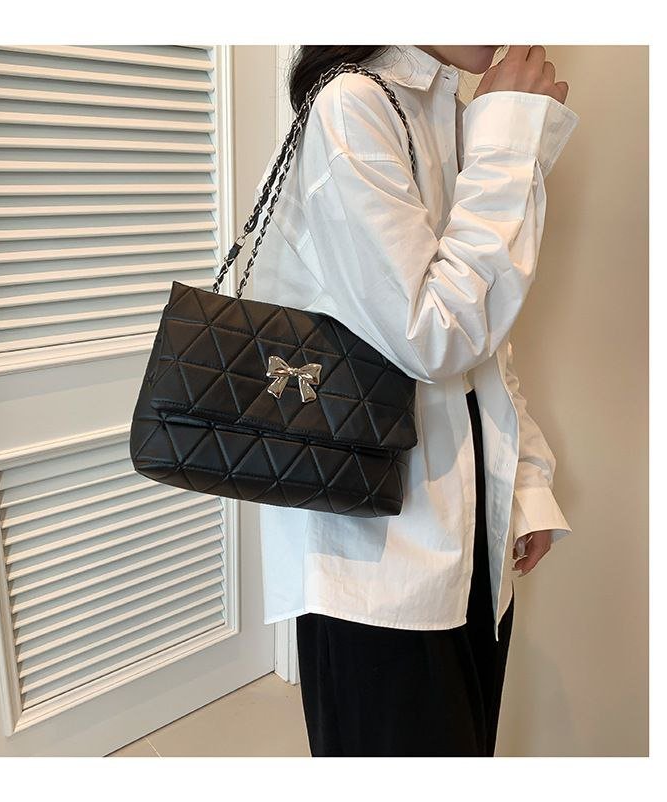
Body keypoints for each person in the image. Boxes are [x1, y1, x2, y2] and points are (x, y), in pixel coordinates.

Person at [250, 45, 578, 757]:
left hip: (466, 526)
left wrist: (523, 482)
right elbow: (433, 336)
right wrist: (509, 135)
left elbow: (486, 340)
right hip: (378, 555)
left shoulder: (446, 109)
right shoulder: (352, 105)